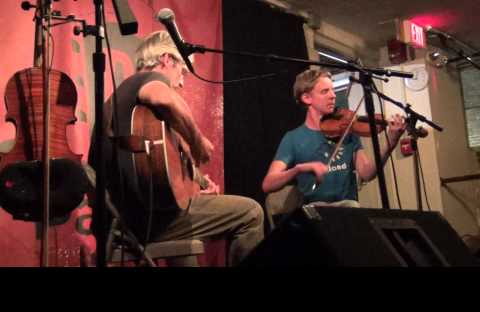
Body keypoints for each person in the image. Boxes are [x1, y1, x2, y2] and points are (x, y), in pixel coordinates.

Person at [88, 30, 264, 266]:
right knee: (251, 212)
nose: (181, 82)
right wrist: (197, 140)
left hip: (119, 222)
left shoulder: (123, 104)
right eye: (182, 72)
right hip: (144, 223)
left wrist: (195, 185)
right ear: (166, 60)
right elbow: (165, 99)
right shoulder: (144, 81)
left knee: (186, 244)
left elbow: (151, 177)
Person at [262, 68, 406, 207]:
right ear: (306, 98)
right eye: (325, 91)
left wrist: (390, 142)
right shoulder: (293, 138)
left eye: (332, 90)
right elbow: (268, 184)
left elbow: (367, 173)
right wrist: (298, 169)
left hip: (348, 207)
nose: (333, 95)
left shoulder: (347, 130)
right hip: (316, 210)